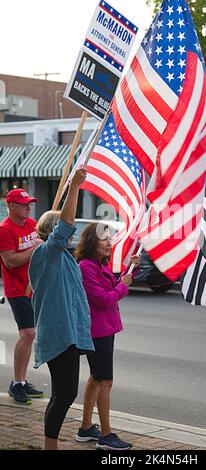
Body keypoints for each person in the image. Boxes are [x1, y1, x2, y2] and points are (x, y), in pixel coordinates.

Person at [28, 168, 94, 450]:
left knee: (61, 393)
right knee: (65, 394)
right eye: (64, 230)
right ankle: (50, 445)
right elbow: (65, 224)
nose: (70, 233)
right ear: (53, 232)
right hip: (58, 334)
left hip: (70, 333)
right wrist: (75, 186)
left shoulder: (61, 257)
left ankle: (49, 445)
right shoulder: (47, 252)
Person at [74, 222, 140, 450]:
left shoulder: (96, 264)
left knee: (95, 377)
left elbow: (113, 286)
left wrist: (129, 270)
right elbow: (103, 299)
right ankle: (105, 435)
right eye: (105, 239)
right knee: (105, 381)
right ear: (92, 242)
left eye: (110, 239)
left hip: (104, 329)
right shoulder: (85, 267)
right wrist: (124, 286)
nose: (110, 243)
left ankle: (85, 428)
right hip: (97, 331)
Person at [0, 188, 44, 405]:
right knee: (28, 333)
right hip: (17, 289)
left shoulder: (31, 224)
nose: (29, 207)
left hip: (33, 287)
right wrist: (34, 249)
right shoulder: (4, 230)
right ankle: (17, 383)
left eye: (30, 203)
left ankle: (22, 381)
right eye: (24, 204)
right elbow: (10, 261)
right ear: (11, 206)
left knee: (30, 335)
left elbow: (39, 249)